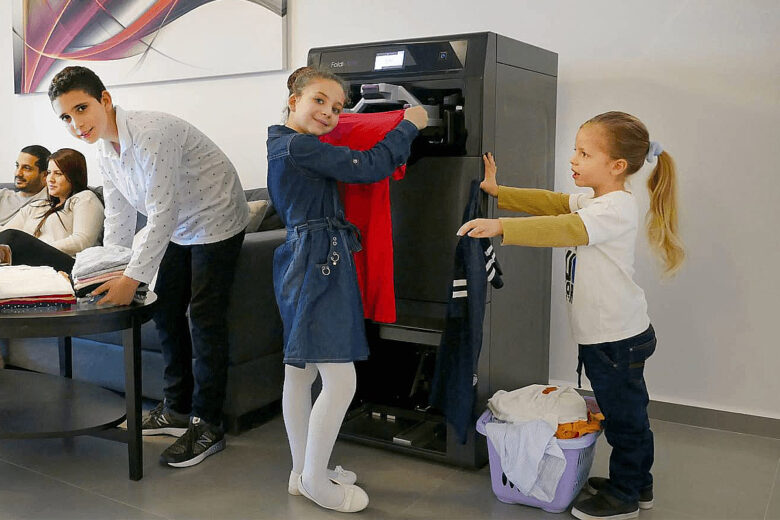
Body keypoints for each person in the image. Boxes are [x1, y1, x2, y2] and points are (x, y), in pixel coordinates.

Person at [457, 111, 684, 520]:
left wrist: (500, 227)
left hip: (617, 338)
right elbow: (553, 202)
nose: (573, 159)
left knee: (624, 419)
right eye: (575, 151)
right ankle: (638, 482)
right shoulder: (598, 200)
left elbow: (563, 227)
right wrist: (499, 191)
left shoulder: (614, 209)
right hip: (609, 336)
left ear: (616, 166)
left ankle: (626, 495)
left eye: (584, 153)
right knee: (622, 413)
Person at [48, 66, 250, 468]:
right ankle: (175, 410)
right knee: (165, 309)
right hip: (178, 224)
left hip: (215, 214)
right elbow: (120, 219)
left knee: (204, 317)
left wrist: (131, 278)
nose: (76, 124)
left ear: (105, 99)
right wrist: (107, 270)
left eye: (81, 108)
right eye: (66, 117)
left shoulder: (151, 134)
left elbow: (161, 212)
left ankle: (208, 424)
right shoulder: (104, 149)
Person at [267, 66, 427, 513]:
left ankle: (303, 471)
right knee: (340, 378)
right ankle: (318, 481)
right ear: (294, 98)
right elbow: (369, 165)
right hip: (318, 262)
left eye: (337, 108)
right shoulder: (300, 146)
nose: (330, 113)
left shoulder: (285, 143)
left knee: (300, 373)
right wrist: (411, 124)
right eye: (319, 100)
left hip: (300, 260)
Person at [0, 148, 103, 273]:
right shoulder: (37, 206)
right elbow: (3, 234)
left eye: (58, 174)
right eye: (49, 172)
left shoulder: (84, 198)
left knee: (12, 237)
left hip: (68, 265)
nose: (50, 179)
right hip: (29, 264)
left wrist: (36, 248)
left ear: (74, 176)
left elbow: (82, 242)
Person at [0, 145, 51, 226]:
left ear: (45, 175)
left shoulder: (48, 204)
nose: (18, 173)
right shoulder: (2, 195)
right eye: (17, 166)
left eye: (26, 168)